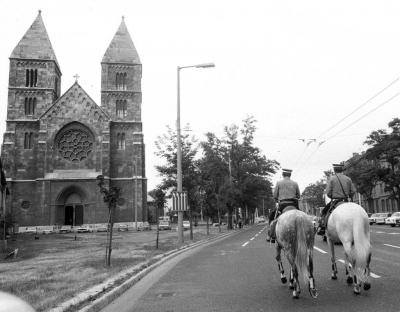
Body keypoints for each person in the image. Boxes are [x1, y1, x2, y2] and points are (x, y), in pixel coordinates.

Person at [317, 163, 356, 236]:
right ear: (342, 170)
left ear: (334, 170)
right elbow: (353, 191)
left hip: (336, 201)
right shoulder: (348, 179)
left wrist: (332, 196)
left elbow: (328, 192)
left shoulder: (332, 179)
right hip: (346, 201)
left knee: (324, 212)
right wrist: (349, 196)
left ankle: (322, 228)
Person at [266, 168, 301, 242]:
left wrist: (277, 199)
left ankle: (270, 235)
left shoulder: (279, 183)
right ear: (290, 175)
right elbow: (298, 195)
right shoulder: (295, 183)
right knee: (301, 215)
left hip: (283, 204)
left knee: (272, 216)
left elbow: (275, 195)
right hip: (294, 204)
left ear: (283, 175)